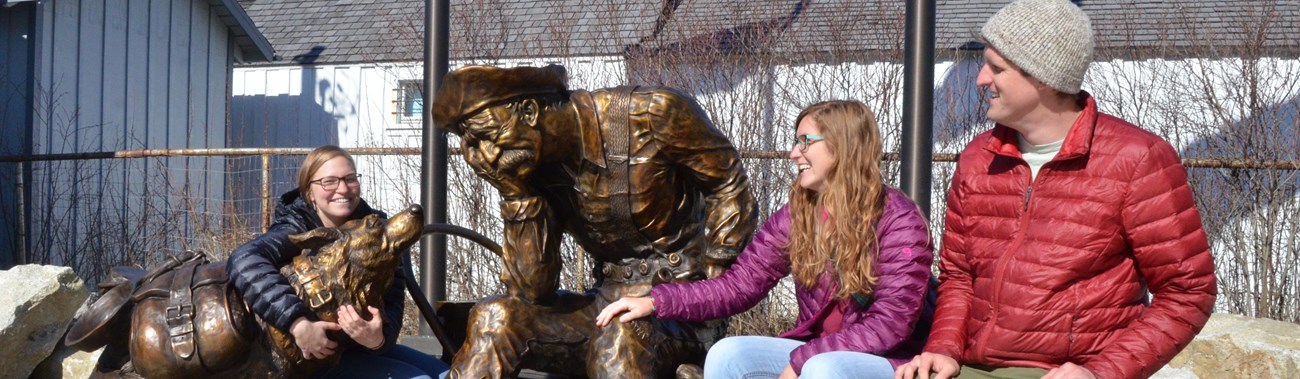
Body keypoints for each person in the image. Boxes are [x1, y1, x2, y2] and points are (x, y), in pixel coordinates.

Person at [894, 1, 1217, 379]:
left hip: (1064, 371)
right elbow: (960, 276)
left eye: (996, 68)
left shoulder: (1137, 159)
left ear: (1042, 76)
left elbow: (1187, 291)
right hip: (970, 366)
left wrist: (1100, 372)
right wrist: (942, 349)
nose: (981, 79)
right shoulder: (977, 159)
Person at [430, 65, 757, 378]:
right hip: (605, 305)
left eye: (485, 136)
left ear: (529, 112)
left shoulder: (652, 113)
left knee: (620, 337)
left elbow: (729, 185)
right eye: (471, 145)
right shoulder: (532, 165)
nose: (484, 157)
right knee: (493, 318)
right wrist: (517, 195)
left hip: (680, 309)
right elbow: (531, 291)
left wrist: (715, 282)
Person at [596, 100, 935, 379]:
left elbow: (889, 325)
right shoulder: (799, 215)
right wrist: (655, 301)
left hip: (889, 359)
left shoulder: (899, 221)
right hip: (818, 350)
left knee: (822, 370)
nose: (793, 153)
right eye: (794, 141)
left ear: (843, 146)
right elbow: (738, 286)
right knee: (729, 354)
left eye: (806, 141)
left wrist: (803, 359)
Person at [226, 145, 449, 379]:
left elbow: (392, 305)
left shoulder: (378, 232)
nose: (342, 189)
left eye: (350, 179)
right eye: (329, 181)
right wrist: (297, 322)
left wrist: (377, 339)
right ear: (309, 191)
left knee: (447, 373)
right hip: (310, 360)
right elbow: (244, 259)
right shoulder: (294, 230)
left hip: (357, 349)